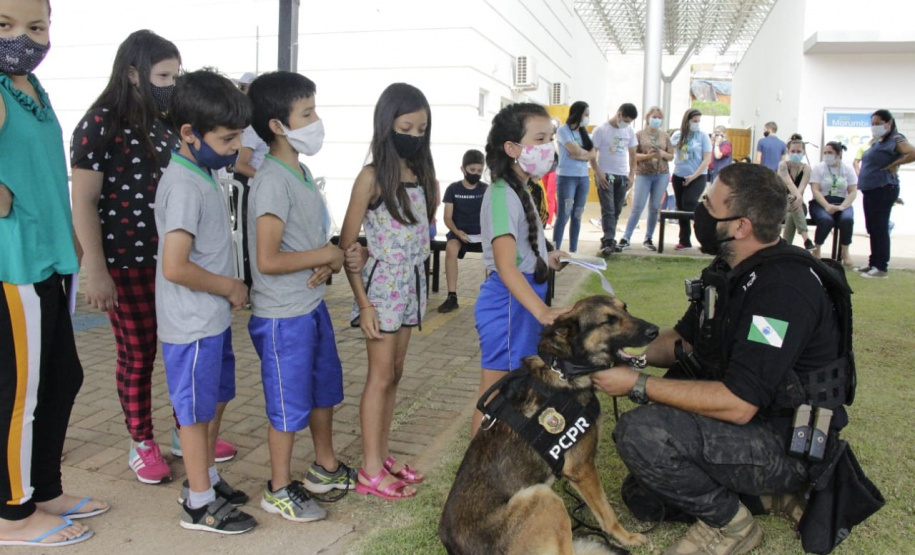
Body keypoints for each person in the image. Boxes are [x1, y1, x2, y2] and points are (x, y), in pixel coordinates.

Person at [593, 164, 848, 555]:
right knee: (643, 495)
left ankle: (733, 526)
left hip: (784, 442)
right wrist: (630, 358)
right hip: (752, 426)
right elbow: (681, 339)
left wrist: (637, 386)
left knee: (641, 433)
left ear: (741, 226)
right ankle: (766, 498)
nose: (699, 210)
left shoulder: (783, 290)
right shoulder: (730, 270)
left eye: (709, 205)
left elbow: (740, 403)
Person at [71, 29, 235, 486]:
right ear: (132, 73)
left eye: (176, 75)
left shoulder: (166, 123)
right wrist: (95, 270)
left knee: (182, 351)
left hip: (171, 261)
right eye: (163, 74)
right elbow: (83, 201)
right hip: (124, 264)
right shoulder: (100, 122)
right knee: (138, 354)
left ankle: (188, 434)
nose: (172, 83)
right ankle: (141, 441)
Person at [0, 0, 106, 546]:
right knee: (20, 391)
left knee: (62, 379)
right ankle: (11, 515)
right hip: (13, 264)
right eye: (5, 25)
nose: (24, 37)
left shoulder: (30, 89)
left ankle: (45, 488)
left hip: (50, 260)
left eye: (36, 26)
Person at [244, 71, 357, 522]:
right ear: (277, 125)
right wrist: (326, 255)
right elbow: (267, 259)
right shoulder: (270, 180)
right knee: (288, 405)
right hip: (281, 318)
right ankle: (278, 486)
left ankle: (325, 467)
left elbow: (311, 243)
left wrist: (329, 259)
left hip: (310, 308)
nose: (316, 121)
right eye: (306, 113)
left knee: (323, 389)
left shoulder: (302, 171)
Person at [155, 70, 256, 533]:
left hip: (210, 319)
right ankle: (198, 504)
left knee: (213, 402)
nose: (236, 146)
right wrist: (229, 286)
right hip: (192, 324)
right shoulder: (183, 184)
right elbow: (174, 266)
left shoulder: (205, 172)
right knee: (194, 416)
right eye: (228, 137)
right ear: (189, 135)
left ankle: (207, 479)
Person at [340, 83, 436, 501]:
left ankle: (383, 455)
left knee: (394, 375)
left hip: (412, 286)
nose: (415, 134)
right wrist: (363, 305)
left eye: (422, 127)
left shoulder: (422, 173)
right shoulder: (371, 177)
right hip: (382, 291)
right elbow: (347, 244)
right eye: (406, 126)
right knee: (379, 378)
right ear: (387, 125)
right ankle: (370, 469)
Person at [471, 102, 571, 436]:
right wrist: (542, 312)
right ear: (512, 148)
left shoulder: (522, 189)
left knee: (514, 391)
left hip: (522, 301)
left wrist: (548, 258)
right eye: (539, 139)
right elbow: (505, 266)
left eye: (550, 138)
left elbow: (522, 253)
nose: (548, 147)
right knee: (495, 394)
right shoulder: (501, 194)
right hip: (510, 304)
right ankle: (477, 474)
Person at [855, 109, 915, 278]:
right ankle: (873, 262)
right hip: (871, 189)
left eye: (878, 123)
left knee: (880, 227)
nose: (874, 127)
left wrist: (895, 164)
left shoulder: (896, 138)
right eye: (872, 124)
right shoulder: (879, 141)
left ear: (889, 124)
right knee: (872, 227)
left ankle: (881, 267)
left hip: (883, 188)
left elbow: (912, 152)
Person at [437, 149, 487, 313]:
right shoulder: (453, 189)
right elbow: (447, 218)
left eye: (479, 171)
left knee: (496, 249)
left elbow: (492, 215)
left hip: (482, 234)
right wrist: (457, 233)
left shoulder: (487, 190)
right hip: (459, 233)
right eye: (472, 170)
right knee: (451, 248)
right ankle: (452, 296)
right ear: (463, 169)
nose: (476, 174)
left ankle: (489, 296)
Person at [619, 106, 673, 251]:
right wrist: (648, 156)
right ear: (648, 118)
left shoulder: (665, 136)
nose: (657, 120)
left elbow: (671, 155)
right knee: (637, 206)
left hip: (661, 174)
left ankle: (648, 238)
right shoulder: (639, 135)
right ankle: (626, 237)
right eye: (654, 117)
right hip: (644, 173)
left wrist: (662, 154)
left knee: (655, 207)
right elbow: (633, 155)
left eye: (659, 117)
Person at [590, 103, 638, 256]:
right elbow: (592, 155)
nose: (626, 123)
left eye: (629, 121)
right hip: (607, 173)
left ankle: (608, 238)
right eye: (625, 119)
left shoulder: (629, 131)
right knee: (608, 209)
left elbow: (633, 155)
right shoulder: (601, 130)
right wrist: (598, 173)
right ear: (619, 114)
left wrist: (631, 175)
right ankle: (609, 240)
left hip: (621, 174)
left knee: (616, 209)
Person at [553, 100, 596, 252]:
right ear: (577, 114)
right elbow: (574, 150)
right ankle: (555, 248)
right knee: (564, 215)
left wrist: (581, 155)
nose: (587, 118)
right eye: (586, 114)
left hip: (583, 178)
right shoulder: (563, 130)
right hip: (567, 177)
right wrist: (583, 154)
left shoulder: (584, 133)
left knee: (577, 215)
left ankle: (573, 250)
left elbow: (592, 154)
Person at [808, 142, 858, 265]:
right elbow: (815, 190)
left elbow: (852, 191)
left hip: (842, 202)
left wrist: (843, 206)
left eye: (830, 153)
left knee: (847, 219)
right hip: (822, 202)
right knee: (826, 220)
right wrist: (827, 206)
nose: (827, 155)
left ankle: (845, 251)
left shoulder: (848, 168)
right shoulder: (819, 168)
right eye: (825, 152)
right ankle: (817, 248)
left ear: (839, 154)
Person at [671, 108, 712, 250]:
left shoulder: (703, 136)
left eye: (698, 121)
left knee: (689, 203)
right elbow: (672, 150)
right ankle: (684, 240)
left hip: (698, 176)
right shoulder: (678, 135)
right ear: (687, 121)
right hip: (679, 175)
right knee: (681, 206)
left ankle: (707, 224)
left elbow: (706, 159)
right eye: (694, 121)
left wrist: (693, 176)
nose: (696, 124)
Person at [777, 139, 816, 250]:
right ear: (788, 152)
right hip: (782, 204)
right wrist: (797, 197)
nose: (795, 153)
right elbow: (788, 182)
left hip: (798, 204)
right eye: (793, 151)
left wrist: (797, 197)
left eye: (798, 151)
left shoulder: (806, 168)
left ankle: (785, 247)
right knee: (792, 205)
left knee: (793, 208)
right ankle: (806, 239)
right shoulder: (783, 165)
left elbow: (801, 188)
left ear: (804, 153)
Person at [233, 72, 268, 185]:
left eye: (242, 88)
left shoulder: (253, 127)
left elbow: (240, 165)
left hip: (251, 185)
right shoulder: (254, 124)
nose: (238, 92)